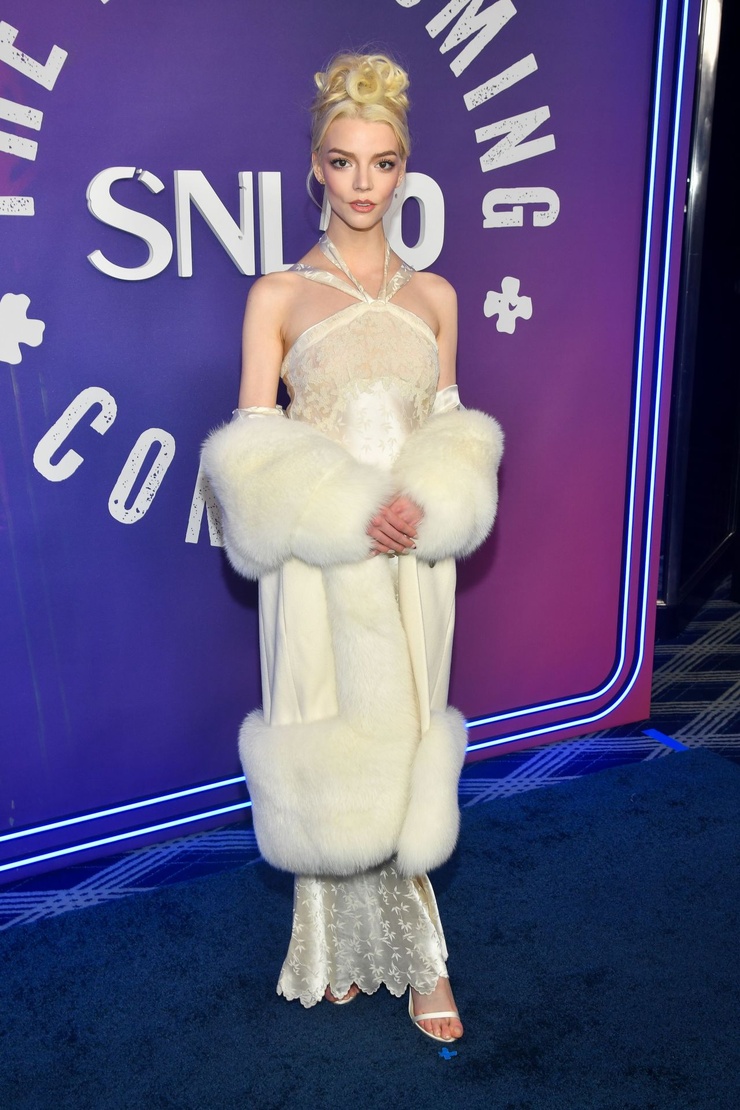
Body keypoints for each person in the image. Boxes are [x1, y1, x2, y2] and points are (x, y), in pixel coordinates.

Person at [201, 52, 503, 1043]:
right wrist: (344, 513)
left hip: (413, 560)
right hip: (319, 561)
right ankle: (331, 942)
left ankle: (422, 959)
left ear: (404, 168)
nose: (362, 183)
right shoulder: (276, 295)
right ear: (316, 169)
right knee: (324, 727)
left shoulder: (438, 297)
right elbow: (249, 452)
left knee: (408, 737)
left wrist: (431, 500)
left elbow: (454, 435)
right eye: (342, 161)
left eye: (381, 162)